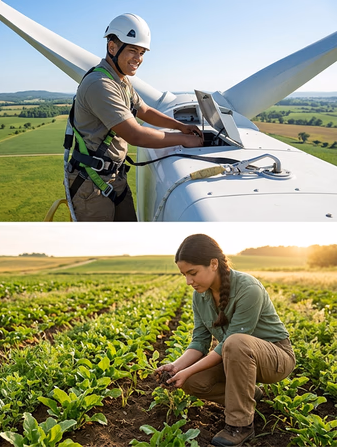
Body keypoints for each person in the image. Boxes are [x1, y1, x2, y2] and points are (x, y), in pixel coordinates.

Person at [156, 234, 295, 446]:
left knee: (235, 342)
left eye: (193, 273)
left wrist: (188, 370)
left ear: (213, 264)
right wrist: (176, 367)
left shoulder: (248, 289)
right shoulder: (199, 296)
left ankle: (240, 425)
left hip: (275, 358)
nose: (188, 281)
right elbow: (199, 342)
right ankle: (251, 396)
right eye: (184, 275)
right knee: (193, 381)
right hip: (236, 357)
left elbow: (230, 343)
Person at [64, 13, 204, 222]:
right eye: (132, 50)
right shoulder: (100, 84)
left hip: (114, 177)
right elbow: (135, 135)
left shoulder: (120, 81)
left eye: (141, 52)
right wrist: (184, 139)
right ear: (112, 48)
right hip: (92, 185)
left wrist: (180, 126)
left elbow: (144, 110)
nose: (138, 59)